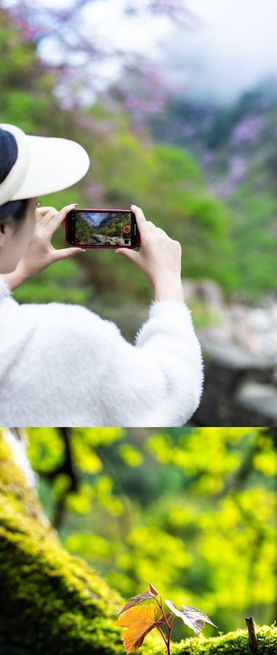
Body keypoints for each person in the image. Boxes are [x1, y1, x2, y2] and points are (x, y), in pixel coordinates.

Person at [0, 123, 203, 427]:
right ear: (4, 228)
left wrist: (15, 272)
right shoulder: (69, 338)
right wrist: (169, 282)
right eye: (34, 204)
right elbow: (170, 393)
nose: (39, 211)